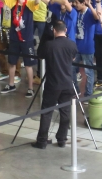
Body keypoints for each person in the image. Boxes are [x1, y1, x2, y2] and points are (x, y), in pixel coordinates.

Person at [32, 20, 77, 149]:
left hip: (52, 83)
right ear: (66, 30)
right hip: (67, 83)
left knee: (47, 112)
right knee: (65, 112)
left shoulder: (49, 45)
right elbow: (73, 58)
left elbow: (40, 55)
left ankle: (42, 141)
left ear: (54, 31)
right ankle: (62, 139)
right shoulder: (72, 44)